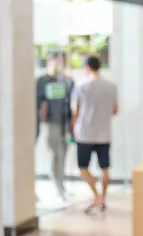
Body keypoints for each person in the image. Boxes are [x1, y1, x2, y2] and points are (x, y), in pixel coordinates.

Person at [71, 56, 118, 213]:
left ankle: (95, 194)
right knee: (105, 167)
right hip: (104, 132)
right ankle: (103, 197)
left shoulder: (81, 85)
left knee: (83, 167)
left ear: (87, 67)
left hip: (85, 133)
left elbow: (76, 111)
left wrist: (72, 127)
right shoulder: (111, 86)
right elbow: (115, 110)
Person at [37, 52, 74, 199]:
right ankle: (58, 185)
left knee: (63, 155)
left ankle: (61, 185)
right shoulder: (42, 81)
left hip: (65, 126)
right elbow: (41, 104)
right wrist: (43, 123)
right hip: (51, 124)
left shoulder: (67, 81)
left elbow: (72, 104)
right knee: (55, 155)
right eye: (55, 61)